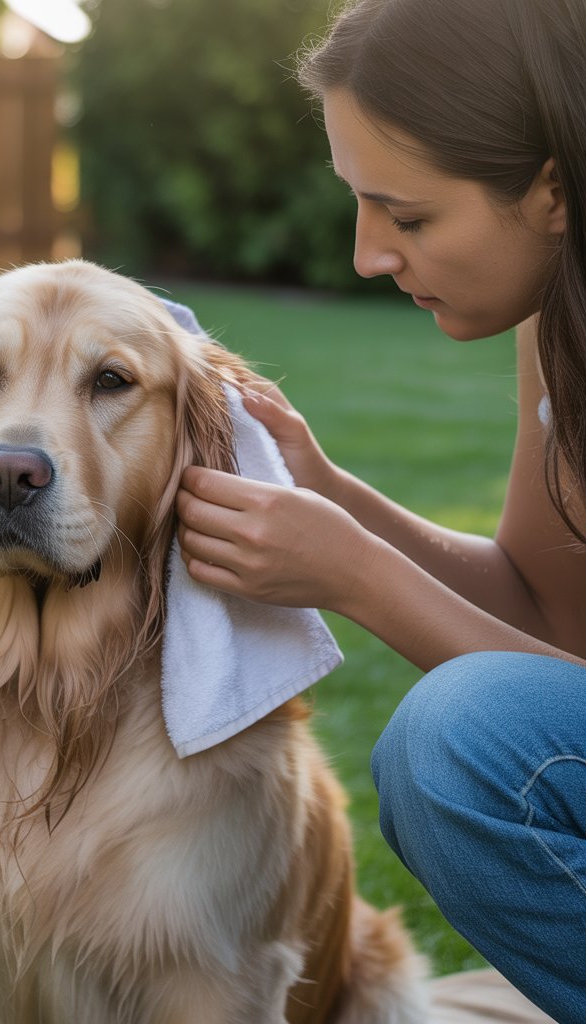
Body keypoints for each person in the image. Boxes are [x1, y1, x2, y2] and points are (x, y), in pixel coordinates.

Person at [174, 0, 586, 1020]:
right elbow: (543, 620)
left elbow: (518, 718)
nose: (367, 254)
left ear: (552, 189)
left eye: (405, 216)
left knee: (458, 742)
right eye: (360, 206)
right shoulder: (557, 320)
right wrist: (332, 495)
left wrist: (355, 574)